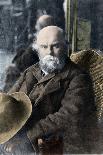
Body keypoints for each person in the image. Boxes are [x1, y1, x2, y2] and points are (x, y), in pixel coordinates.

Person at [6, 26, 98, 154]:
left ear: (66, 46)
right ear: (37, 49)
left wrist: (26, 138)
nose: (49, 52)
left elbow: (67, 117)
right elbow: (10, 100)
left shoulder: (79, 78)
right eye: (44, 47)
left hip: (54, 144)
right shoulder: (30, 72)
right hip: (22, 137)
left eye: (55, 46)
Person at [3, 15, 55, 92]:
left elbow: (25, 63)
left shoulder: (43, 43)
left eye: (37, 25)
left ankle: (7, 98)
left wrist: (16, 67)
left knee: (10, 71)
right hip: (31, 69)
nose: (35, 27)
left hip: (33, 75)